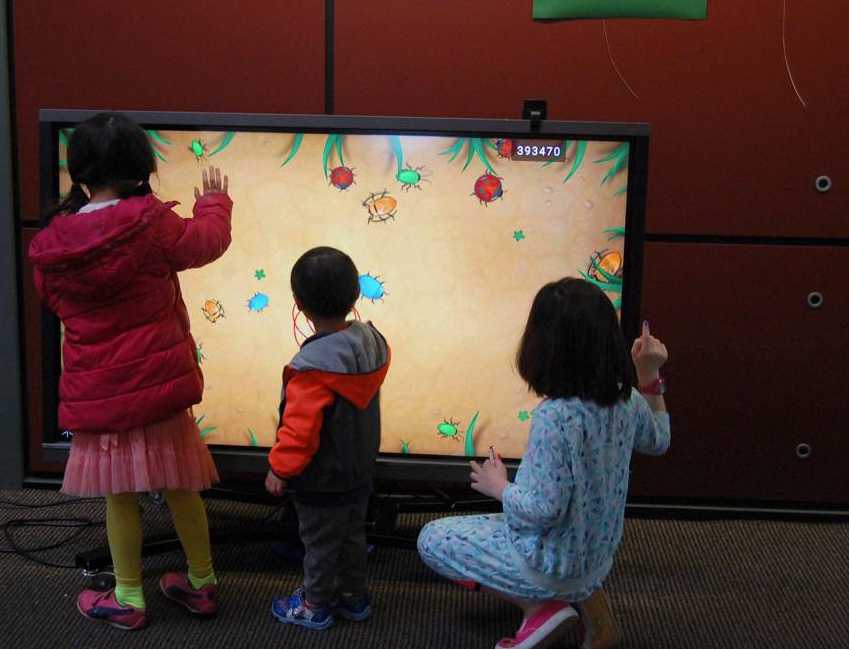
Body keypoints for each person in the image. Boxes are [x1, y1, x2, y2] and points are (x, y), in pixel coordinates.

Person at [28, 112, 232, 631]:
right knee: (181, 486)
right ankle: (202, 583)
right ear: (142, 167)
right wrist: (214, 204)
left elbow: (55, 302)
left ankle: (127, 597)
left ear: (79, 173)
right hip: (160, 390)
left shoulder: (55, 244)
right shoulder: (151, 222)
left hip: (102, 394)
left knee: (119, 495)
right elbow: (203, 243)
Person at [417, 277, 670, 649]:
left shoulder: (556, 416)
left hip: (552, 565)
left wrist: (498, 486)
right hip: (597, 558)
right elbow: (659, 441)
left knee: (432, 539)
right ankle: (590, 615)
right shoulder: (628, 400)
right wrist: (648, 375)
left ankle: (539, 610)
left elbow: (544, 509)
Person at [264, 246, 391, 631]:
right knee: (352, 535)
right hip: (358, 471)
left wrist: (279, 469)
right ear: (355, 295)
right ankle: (354, 597)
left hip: (322, 480)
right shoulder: (371, 344)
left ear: (299, 304)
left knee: (318, 544)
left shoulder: (312, 368)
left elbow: (299, 431)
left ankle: (315, 605)